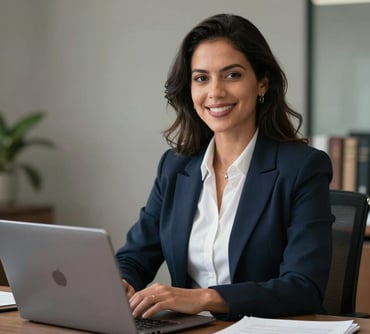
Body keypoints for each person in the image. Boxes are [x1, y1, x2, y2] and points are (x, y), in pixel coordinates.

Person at [116, 13, 333, 321]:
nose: (215, 92)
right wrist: (121, 283)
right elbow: (135, 257)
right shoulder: (175, 168)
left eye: (232, 75)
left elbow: (303, 286)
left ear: (262, 83)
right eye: (201, 78)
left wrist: (206, 298)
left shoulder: (302, 169)